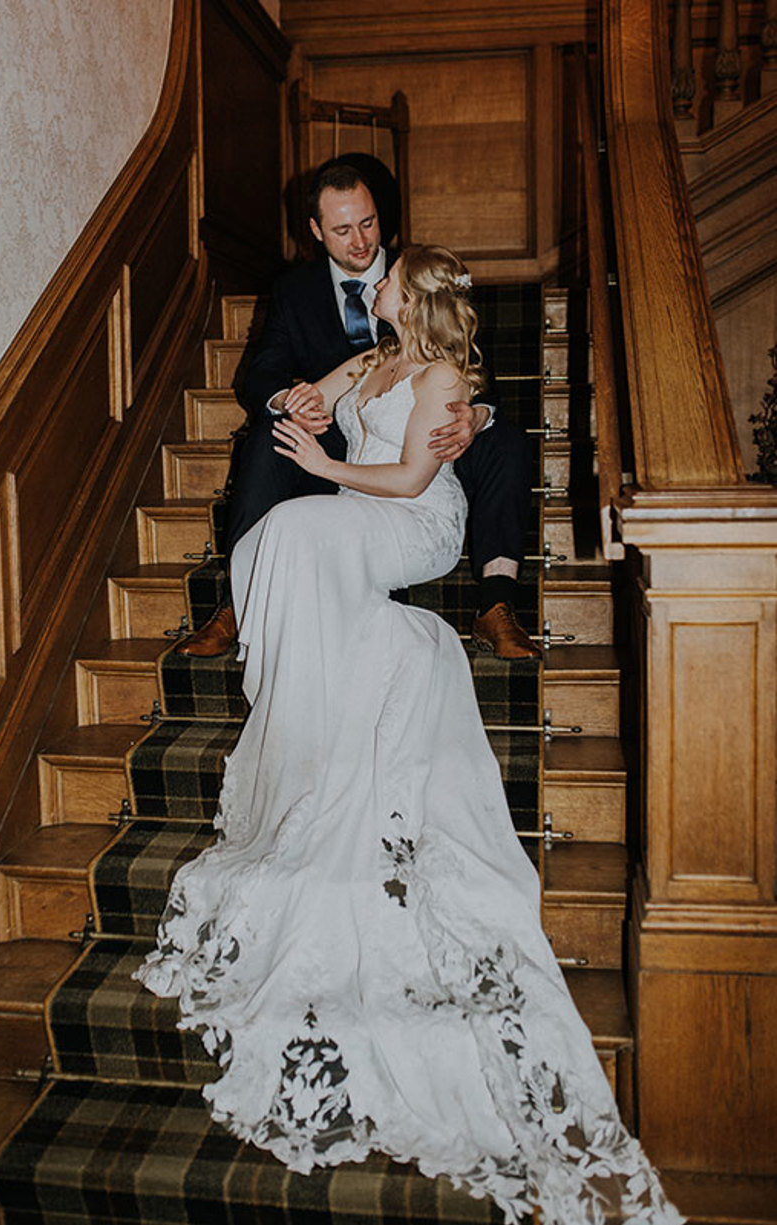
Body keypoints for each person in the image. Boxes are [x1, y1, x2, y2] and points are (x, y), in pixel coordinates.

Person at [135, 245, 683, 1225]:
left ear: (414, 294)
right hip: (352, 502)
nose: (371, 285)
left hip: (412, 514)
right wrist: (301, 411)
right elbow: (307, 395)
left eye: (385, 278)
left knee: (297, 530)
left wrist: (326, 463)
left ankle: (332, 675)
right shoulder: (371, 357)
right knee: (269, 535)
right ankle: (307, 702)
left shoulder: (446, 377)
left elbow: (406, 475)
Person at [176, 159, 539, 661]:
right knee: (270, 434)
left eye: (367, 223)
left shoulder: (421, 275)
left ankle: (498, 604)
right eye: (343, 230)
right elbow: (266, 374)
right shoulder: (295, 291)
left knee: (510, 440)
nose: (361, 241)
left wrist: (476, 417)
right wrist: (292, 402)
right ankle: (240, 601)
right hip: (342, 436)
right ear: (316, 231)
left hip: (435, 444)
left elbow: (477, 372)